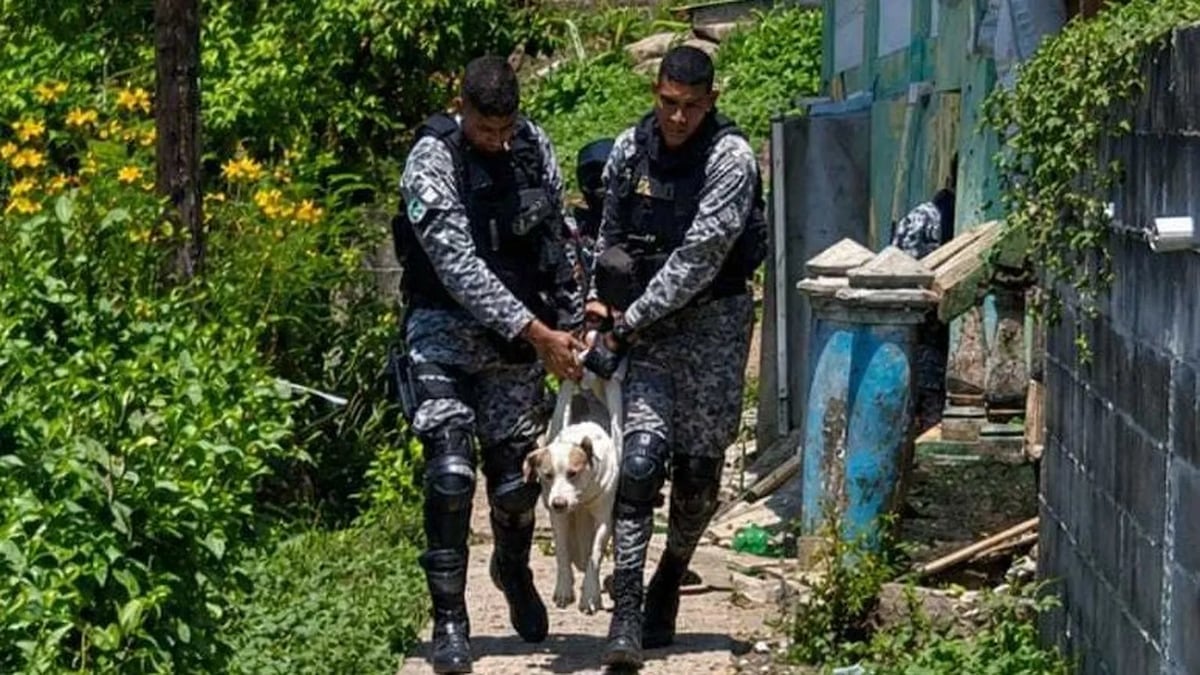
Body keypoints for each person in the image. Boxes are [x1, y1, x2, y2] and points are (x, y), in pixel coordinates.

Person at [391, 55, 584, 674]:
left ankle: (513, 567)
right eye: (485, 129)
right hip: (444, 333)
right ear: (462, 107)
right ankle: (449, 619)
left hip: (513, 347)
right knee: (451, 476)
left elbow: (557, 235)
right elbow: (458, 268)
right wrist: (539, 334)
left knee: (516, 484)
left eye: (506, 127)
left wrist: (572, 324)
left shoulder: (532, 147)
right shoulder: (432, 160)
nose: (497, 140)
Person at [580, 45, 767, 669]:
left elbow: (697, 261)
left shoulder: (730, 159)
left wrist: (626, 325)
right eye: (668, 103)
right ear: (655, 94)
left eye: (690, 106)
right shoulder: (631, 149)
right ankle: (627, 610)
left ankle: (671, 572)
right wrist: (598, 305)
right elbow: (608, 232)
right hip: (649, 335)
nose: (678, 117)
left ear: (711, 101)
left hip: (712, 328)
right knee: (638, 463)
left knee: (696, 475)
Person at [890, 183, 956, 433]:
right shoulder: (928, 220)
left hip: (912, 323)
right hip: (921, 324)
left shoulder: (919, 217)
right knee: (927, 394)